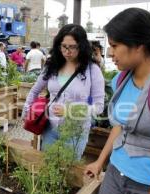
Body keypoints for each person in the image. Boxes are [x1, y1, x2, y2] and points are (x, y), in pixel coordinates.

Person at [84, 8, 150, 194]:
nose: (111, 53)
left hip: (148, 186)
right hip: (115, 175)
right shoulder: (121, 79)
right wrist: (100, 161)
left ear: (138, 45)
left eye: (115, 46)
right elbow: (120, 126)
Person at [22, 24, 105, 159]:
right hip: (50, 129)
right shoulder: (52, 66)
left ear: (82, 46)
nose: (67, 51)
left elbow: (99, 106)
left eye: (72, 47)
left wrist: (70, 110)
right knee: (47, 170)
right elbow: (35, 90)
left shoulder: (92, 70)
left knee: (67, 173)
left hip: (76, 133)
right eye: (64, 46)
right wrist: (26, 111)